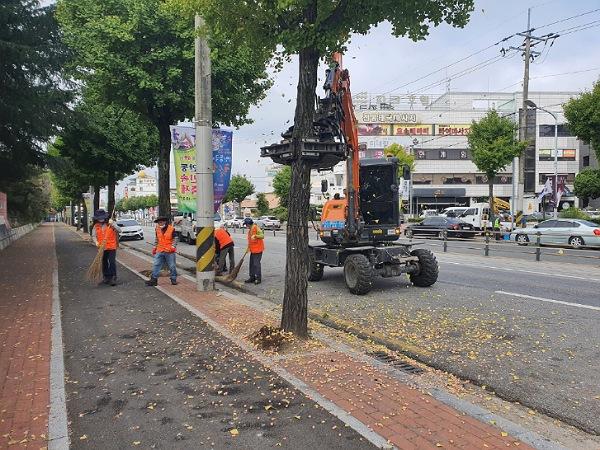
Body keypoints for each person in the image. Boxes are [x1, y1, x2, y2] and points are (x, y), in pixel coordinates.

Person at [146, 216, 178, 286]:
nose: (159, 224)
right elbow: (157, 239)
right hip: (160, 250)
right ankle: (153, 279)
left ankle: (173, 278)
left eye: (160, 222)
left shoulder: (171, 229)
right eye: (158, 223)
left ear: (164, 222)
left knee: (172, 266)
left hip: (169, 251)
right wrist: (155, 247)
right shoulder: (157, 229)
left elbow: (175, 238)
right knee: (156, 264)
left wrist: (173, 246)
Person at [92, 209, 120, 286]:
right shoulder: (96, 226)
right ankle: (106, 277)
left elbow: (119, 230)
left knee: (111, 262)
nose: (101, 219)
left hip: (111, 247)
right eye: (99, 218)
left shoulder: (110, 224)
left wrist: (113, 224)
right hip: (102, 248)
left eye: (102, 217)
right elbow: (94, 236)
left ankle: (113, 277)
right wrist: (96, 242)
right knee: (104, 262)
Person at [243, 218, 264, 284]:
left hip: (258, 250)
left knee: (256, 264)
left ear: (248, 224)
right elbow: (250, 241)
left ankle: (258, 279)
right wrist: (248, 248)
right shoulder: (250, 230)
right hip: (253, 250)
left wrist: (256, 236)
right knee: (251, 264)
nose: (246, 226)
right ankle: (252, 277)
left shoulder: (255, 227)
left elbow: (262, 236)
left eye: (246, 225)